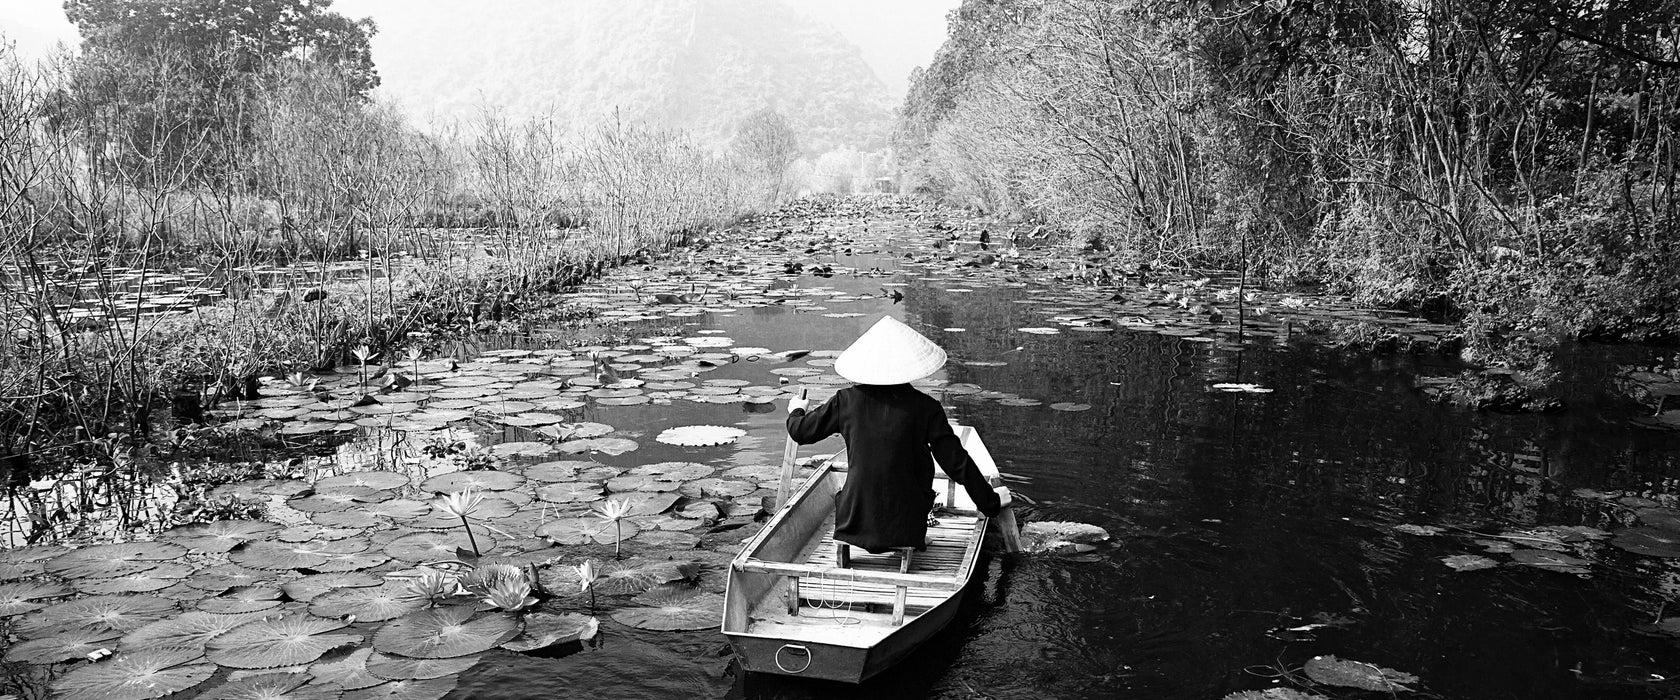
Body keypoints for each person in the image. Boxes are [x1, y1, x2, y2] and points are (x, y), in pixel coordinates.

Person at [787, 316, 1012, 559]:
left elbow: (800, 431)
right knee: (921, 461)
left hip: (854, 521)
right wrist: (989, 503)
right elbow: (957, 463)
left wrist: (797, 409)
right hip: (906, 525)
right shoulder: (926, 408)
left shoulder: (846, 402)